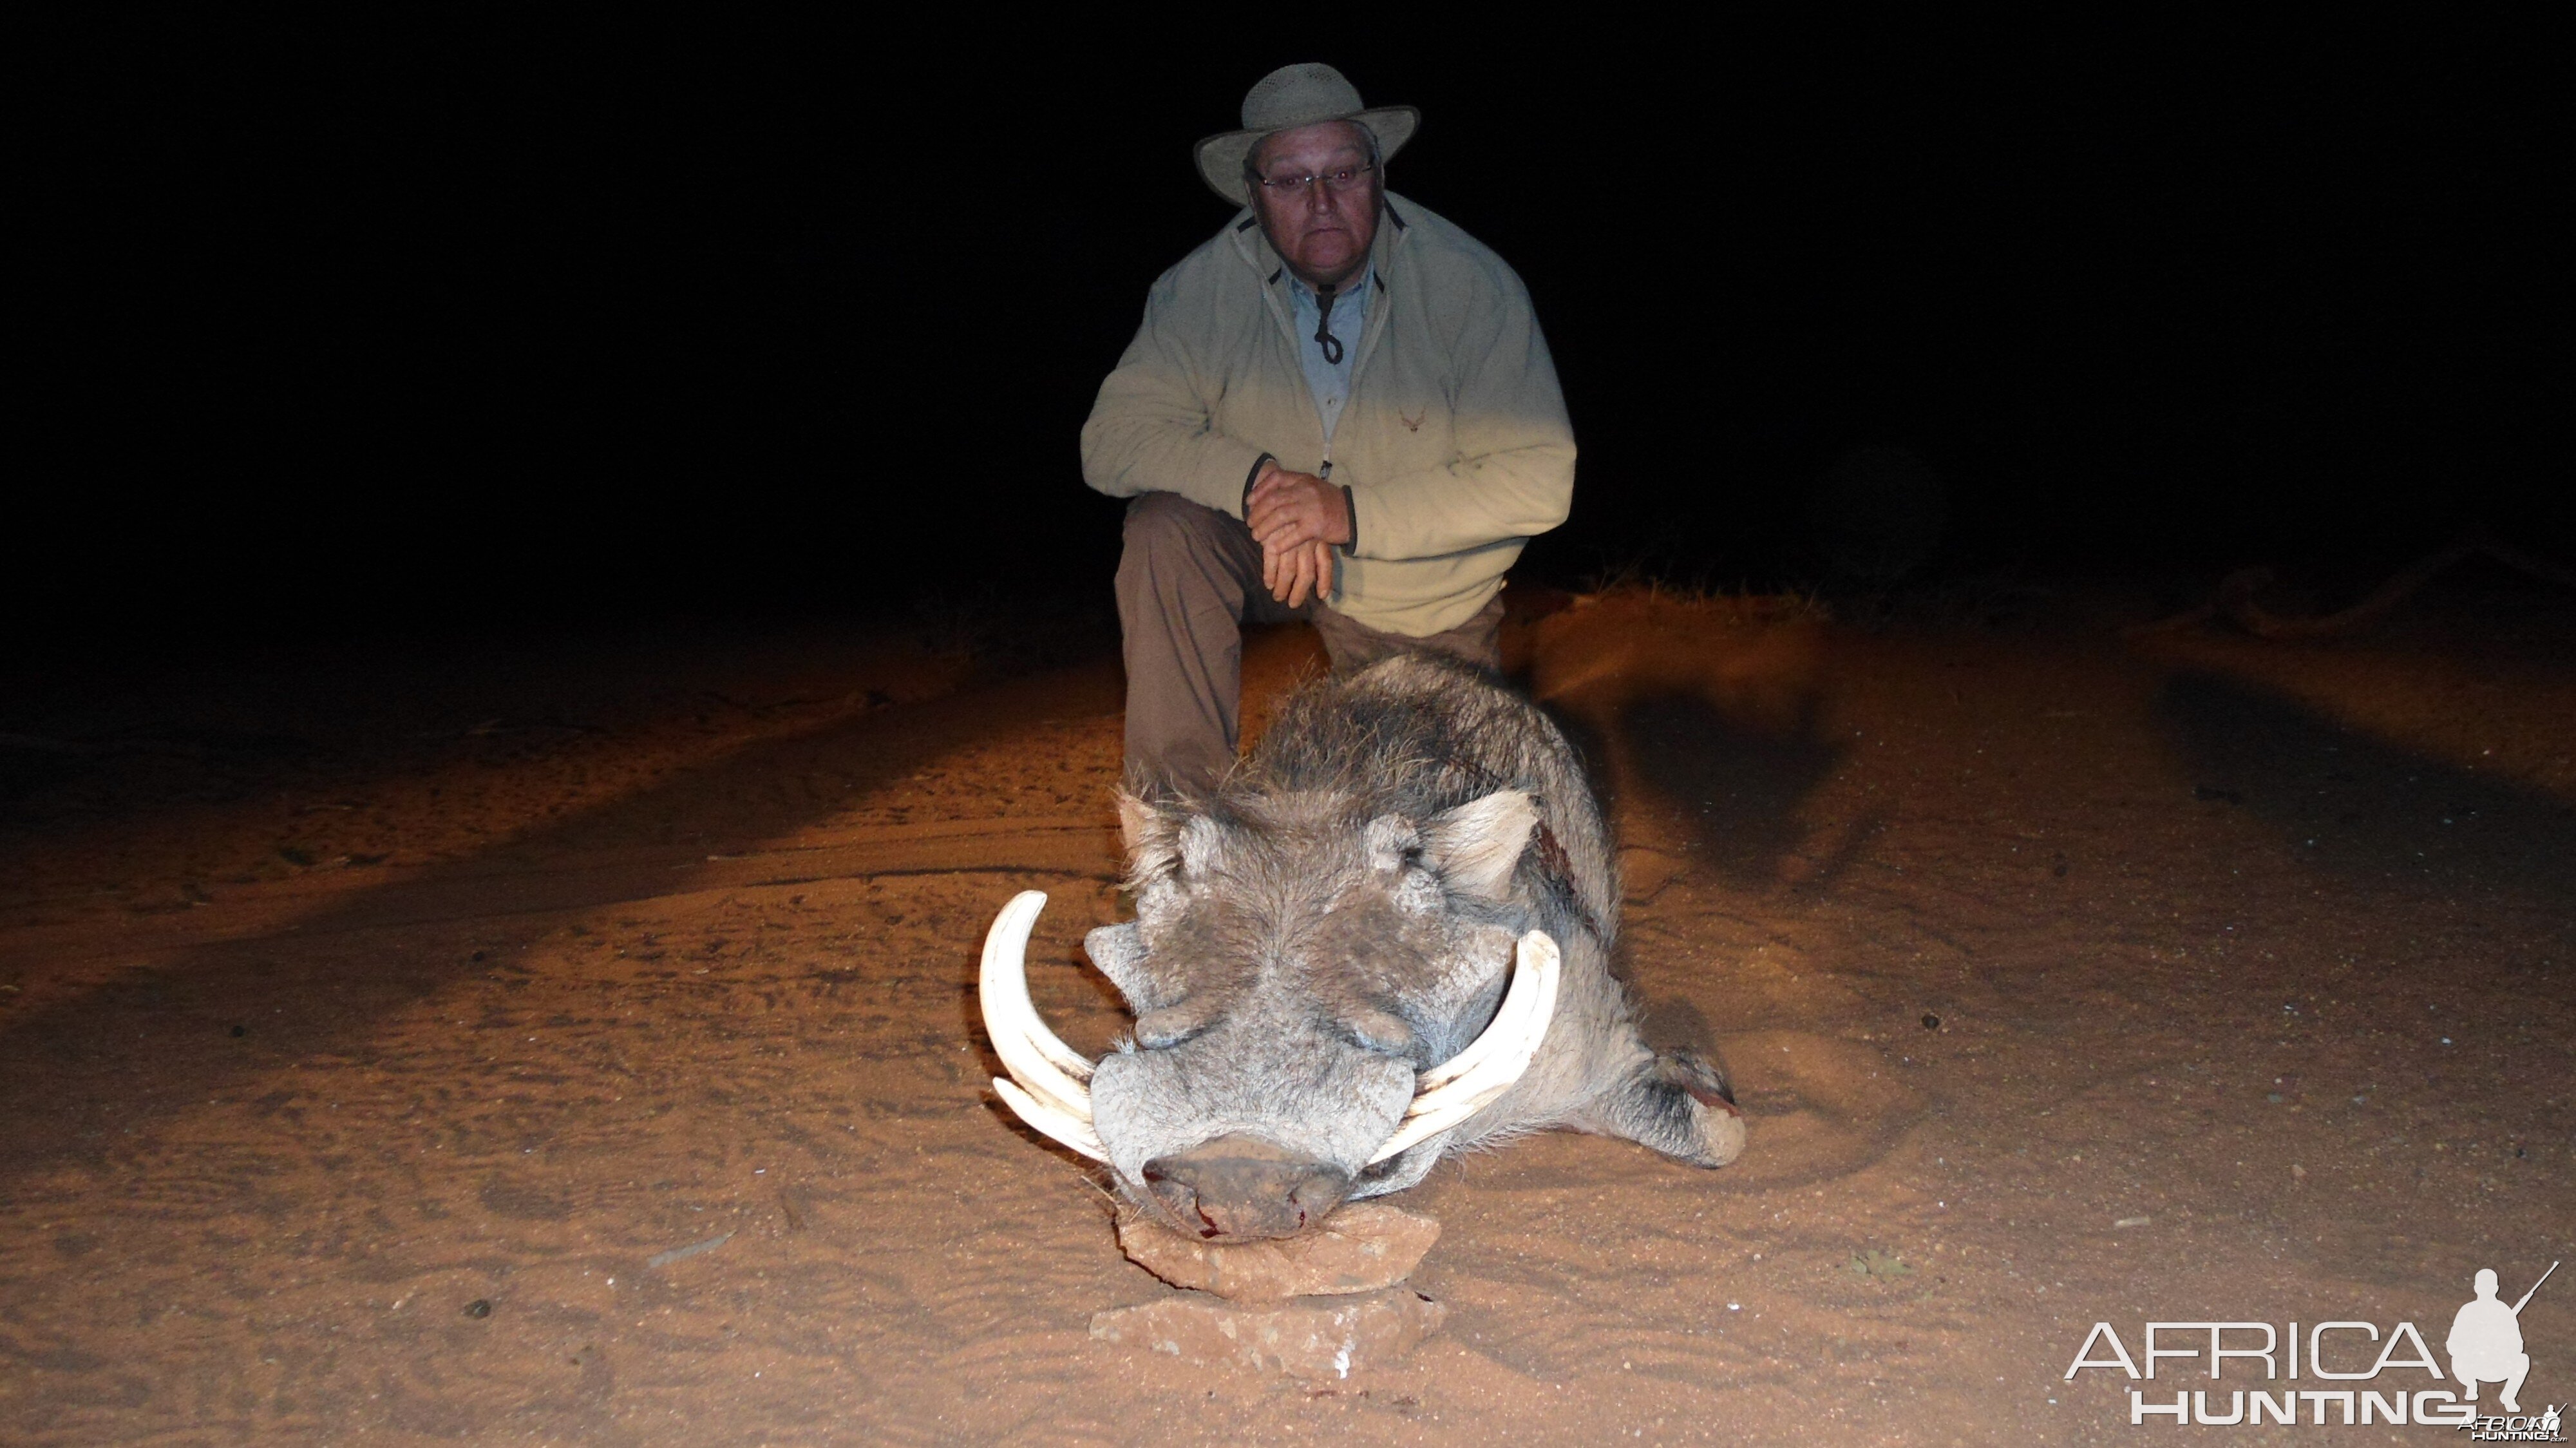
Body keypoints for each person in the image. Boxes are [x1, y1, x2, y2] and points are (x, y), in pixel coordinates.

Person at [1083, 62, 1576, 788]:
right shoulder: (1196, 290)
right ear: (1251, 194)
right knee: (1164, 529)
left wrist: (1344, 512)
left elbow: (1541, 476)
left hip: (1415, 592)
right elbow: (1109, 442)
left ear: (1379, 175)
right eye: (1288, 180)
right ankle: (1178, 827)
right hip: (1266, 552)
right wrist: (1260, 483)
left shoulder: (1471, 286)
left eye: (1342, 172)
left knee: (1436, 822)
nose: (1319, 202)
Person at [2446, 1266, 2533, 1413]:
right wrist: (2472, 1346)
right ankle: (2471, 1386)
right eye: (2483, 1286)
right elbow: (2452, 1344)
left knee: (2523, 1360)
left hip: (2498, 1365)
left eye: (2489, 1286)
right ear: (2476, 1288)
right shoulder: (2467, 1311)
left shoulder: (2504, 1311)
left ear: (2496, 1288)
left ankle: (2508, 1396)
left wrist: (2499, 1343)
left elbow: (2518, 1346)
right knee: (2457, 1359)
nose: (2486, 1289)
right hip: (2472, 1366)